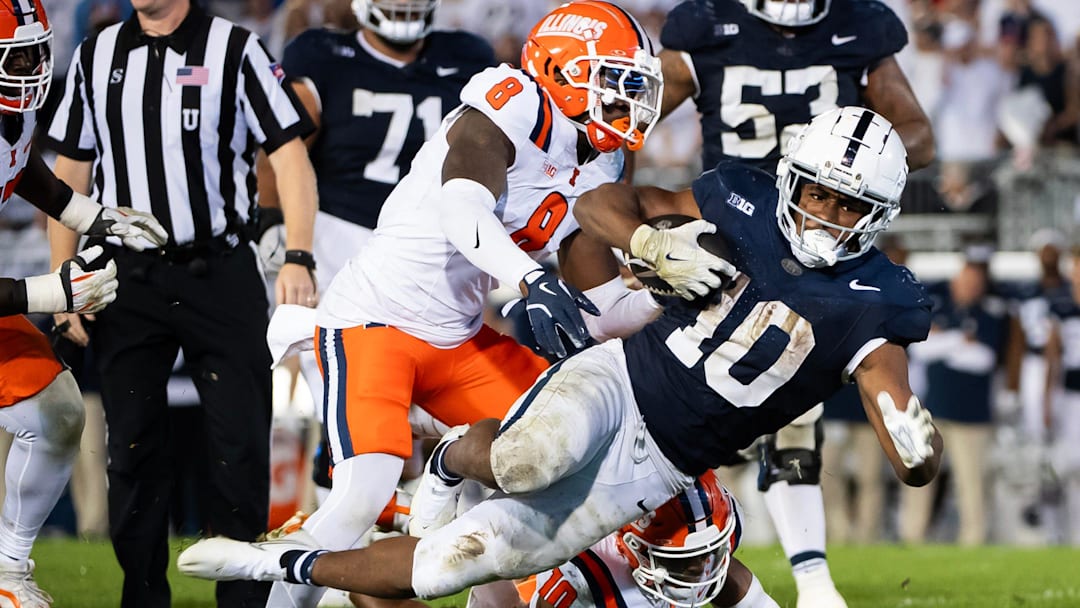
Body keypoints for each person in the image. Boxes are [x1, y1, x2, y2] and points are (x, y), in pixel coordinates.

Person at [176, 107, 944, 604]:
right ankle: (446, 463)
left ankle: (270, 564)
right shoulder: (740, 199)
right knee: (526, 460)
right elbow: (596, 205)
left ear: (877, 215)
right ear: (793, 181)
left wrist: (913, 440)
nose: (826, 215)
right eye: (817, 193)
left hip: (658, 468)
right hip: (621, 380)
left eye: (848, 205)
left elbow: (891, 396)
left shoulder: (882, 298)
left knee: (458, 565)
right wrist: (644, 241)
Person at [248, 2, 676, 607]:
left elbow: (605, 309)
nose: (626, 101)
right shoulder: (513, 101)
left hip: (457, 337)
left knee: (561, 452)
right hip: (376, 323)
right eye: (614, 81)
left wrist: (677, 303)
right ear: (560, 67)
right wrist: (531, 279)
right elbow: (461, 210)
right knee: (360, 499)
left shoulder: (600, 156)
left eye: (634, 85)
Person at [656, 1, 935, 604]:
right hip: (731, 226)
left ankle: (810, 579)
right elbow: (631, 119)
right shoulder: (705, 25)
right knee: (665, 392)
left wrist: (860, 161)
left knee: (793, 412)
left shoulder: (859, 24)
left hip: (818, 246)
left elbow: (917, 136)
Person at [44, 0, 319, 604]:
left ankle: (243, 600)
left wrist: (298, 253)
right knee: (131, 448)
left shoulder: (236, 47)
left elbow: (289, 153)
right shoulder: (97, 55)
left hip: (219, 268)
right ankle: (142, 595)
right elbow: (70, 172)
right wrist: (64, 281)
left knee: (239, 445)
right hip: (128, 275)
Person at [256, 4, 495, 604]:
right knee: (366, 449)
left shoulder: (464, 56)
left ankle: (355, 552)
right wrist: (275, 227)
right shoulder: (321, 54)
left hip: (433, 260)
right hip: (344, 258)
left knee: (420, 447)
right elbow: (282, 148)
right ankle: (344, 557)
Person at [0, 2, 168, 605]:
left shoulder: (10, 118)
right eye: (16, 56)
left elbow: (21, 172)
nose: (32, 67)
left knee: (56, 412)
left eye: (37, 51)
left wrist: (97, 218)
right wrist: (53, 293)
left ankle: (7, 574)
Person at [530, 469, 780, 608]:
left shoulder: (712, 539)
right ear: (632, 544)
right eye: (683, 561)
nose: (700, 569)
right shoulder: (586, 571)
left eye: (708, 555)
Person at [901, 250, 1009, 545]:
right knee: (920, 477)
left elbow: (983, 359)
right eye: (965, 280)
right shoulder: (938, 308)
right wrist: (960, 341)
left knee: (970, 481)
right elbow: (921, 349)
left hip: (970, 414)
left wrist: (943, 342)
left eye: (976, 281)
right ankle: (913, 535)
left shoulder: (990, 314)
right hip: (934, 408)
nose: (969, 286)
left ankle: (973, 538)